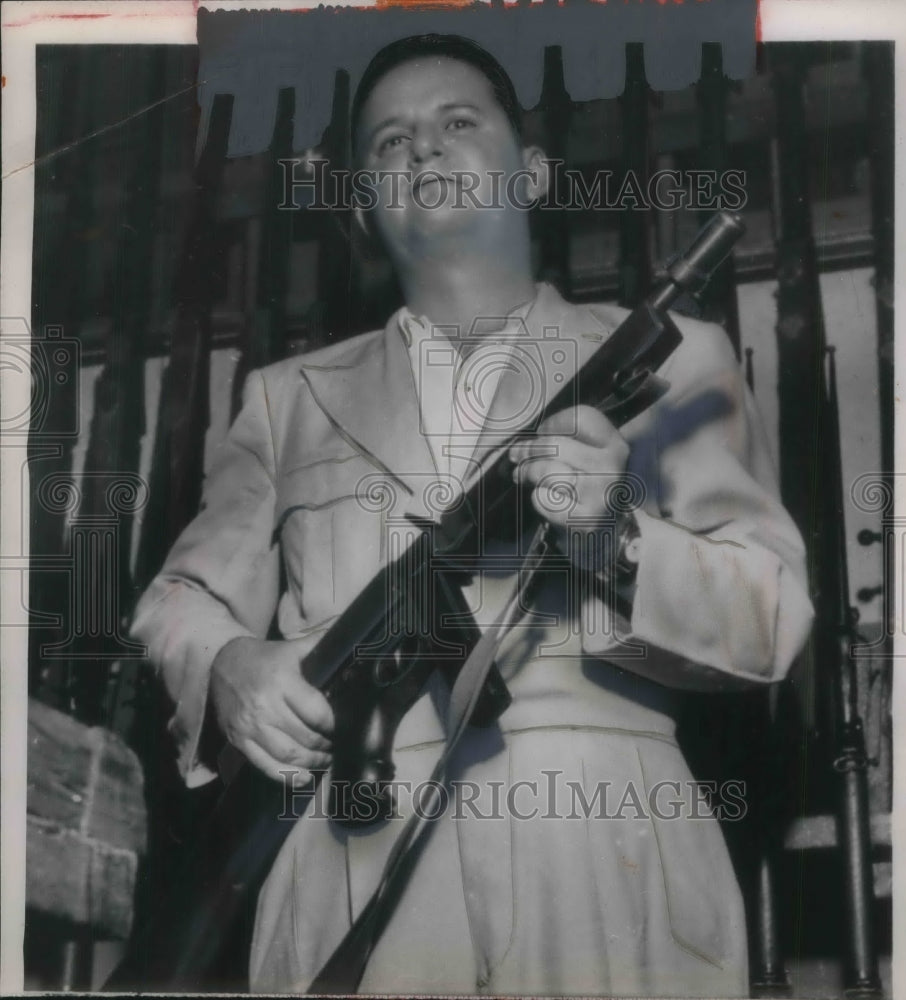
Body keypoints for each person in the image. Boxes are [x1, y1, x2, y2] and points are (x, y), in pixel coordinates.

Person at [132, 33, 814, 997]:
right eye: (388, 142)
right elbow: (178, 598)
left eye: (458, 121)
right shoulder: (285, 400)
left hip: (608, 846)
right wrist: (231, 665)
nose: (422, 149)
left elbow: (772, 618)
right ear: (363, 206)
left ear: (530, 173)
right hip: (350, 852)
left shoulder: (678, 364)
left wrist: (615, 536)